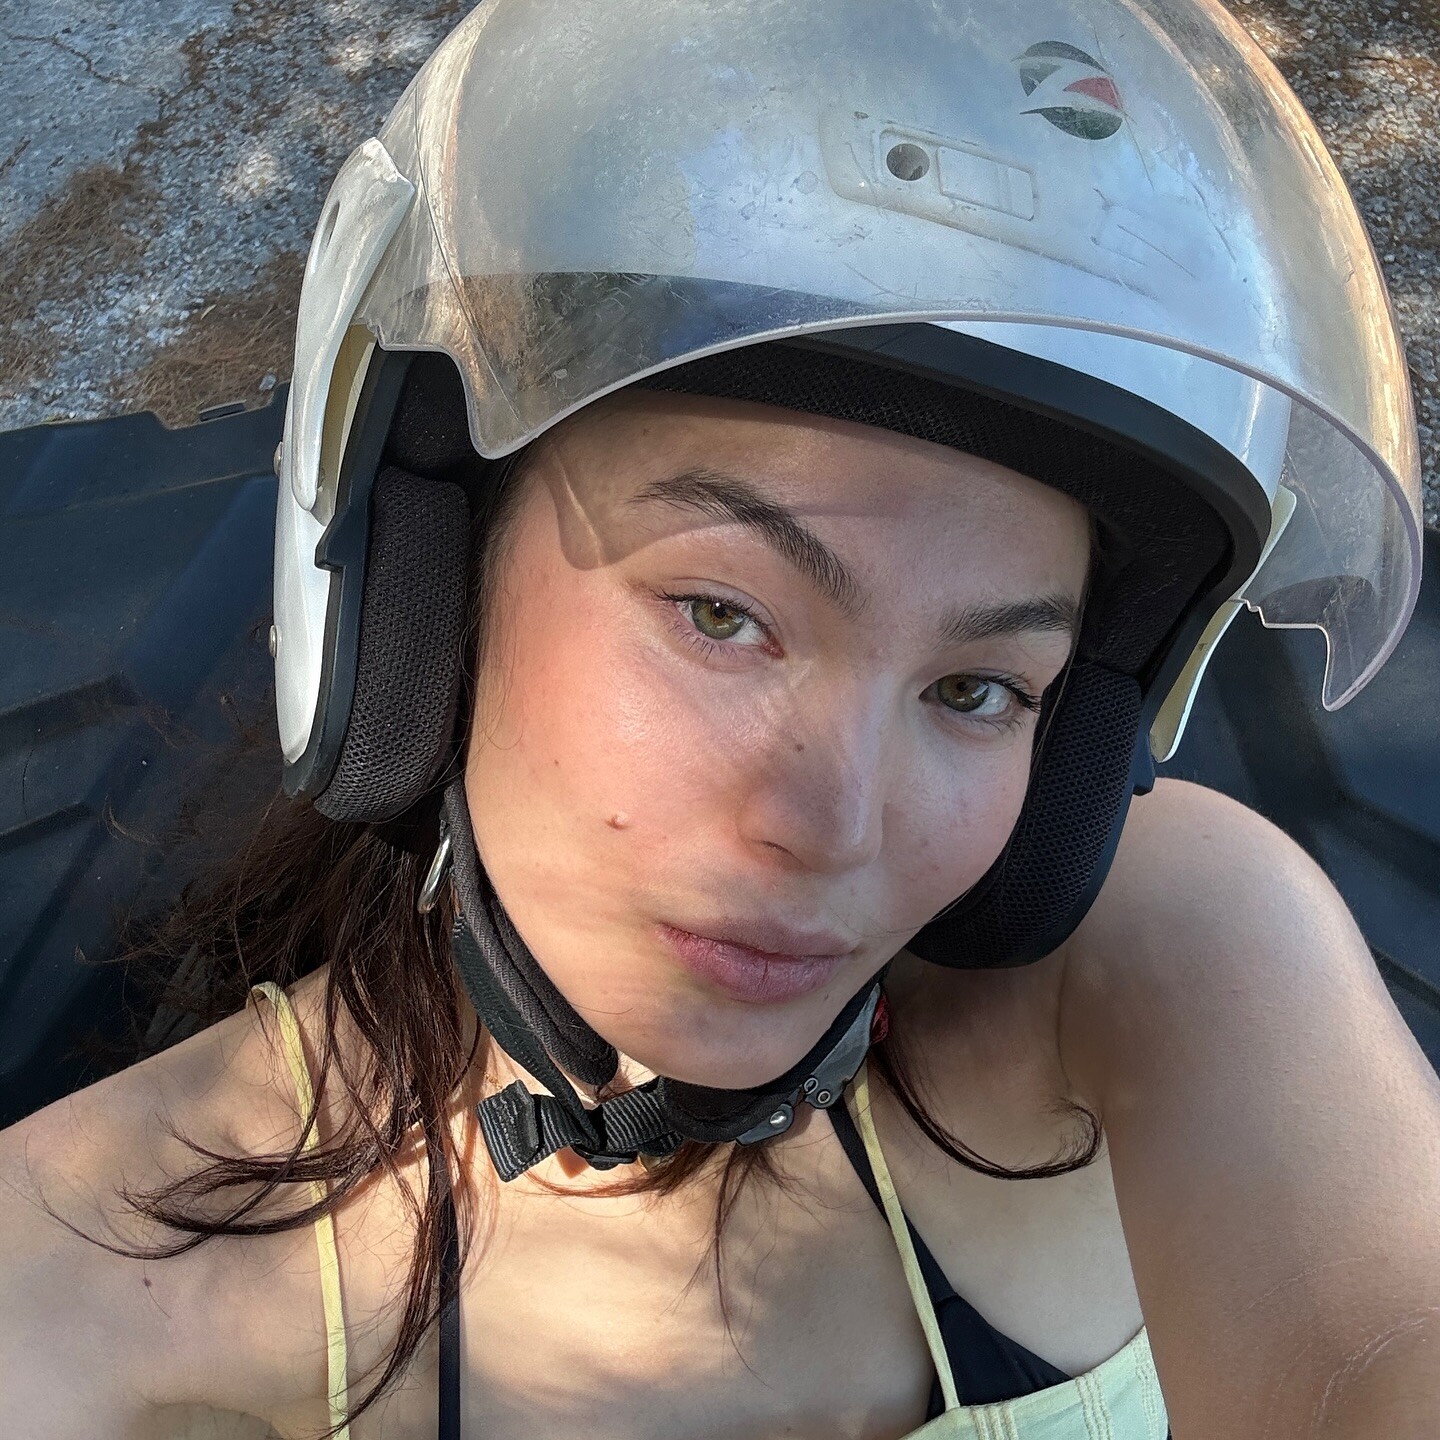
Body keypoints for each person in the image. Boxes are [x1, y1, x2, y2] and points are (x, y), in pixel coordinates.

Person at [2, 0, 1438, 1437]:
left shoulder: (1168, 940)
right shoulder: (91, 1297)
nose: (835, 828)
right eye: (722, 614)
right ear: (426, 589)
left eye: (975, 690)